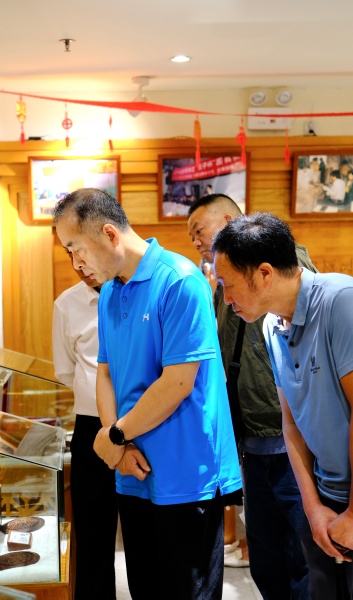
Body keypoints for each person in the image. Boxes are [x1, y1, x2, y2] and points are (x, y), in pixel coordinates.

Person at [212, 212, 353, 599]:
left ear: (264, 273)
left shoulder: (341, 301)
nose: (226, 298)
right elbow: (292, 425)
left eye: (228, 285)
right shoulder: (270, 325)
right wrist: (314, 507)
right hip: (330, 492)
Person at [54, 188, 241, 600]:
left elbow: (177, 382)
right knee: (145, 589)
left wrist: (115, 435)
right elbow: (105, 372)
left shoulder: (180, 281)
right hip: (133, 470)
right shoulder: (109, 292)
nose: (76, 262)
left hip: (185, 473)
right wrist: (116, 443)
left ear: (109, 234)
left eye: (76, 248)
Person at [187, 194, 313, 599]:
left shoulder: (284, 264)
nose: (196, 242)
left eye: (199, 231)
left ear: (228, 220)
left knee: (303, 557)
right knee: (266, 556)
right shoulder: (222, 283)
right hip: (252, 442)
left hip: (291, 442)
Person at [52, 252, 118, 600]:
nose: (78, 264)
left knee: (146, 533)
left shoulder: (139, 293)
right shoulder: (67, 303)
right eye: (70, 254)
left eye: (83, 253)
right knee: (93, 537)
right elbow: (65, 371)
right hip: (90, 427)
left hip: (144, 423)